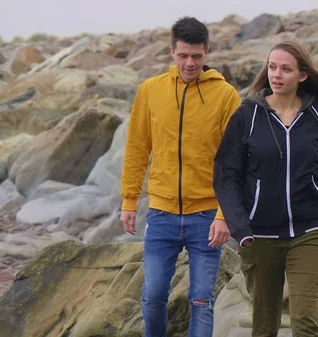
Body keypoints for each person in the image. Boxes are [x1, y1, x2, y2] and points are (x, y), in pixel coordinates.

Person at [213, 40, 318, 337]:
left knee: (305, 320)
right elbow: (226, 176)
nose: (276, 74)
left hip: (309, 232)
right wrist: (240, 227)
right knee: (264, 324)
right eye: (272, 67)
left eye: (286, 69)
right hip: (259, 237)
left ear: (302, 76)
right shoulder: (247, 116)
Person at [119, 16, 242, 337]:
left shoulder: (226, 96)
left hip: (207, 217)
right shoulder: (150, 91)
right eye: (184, 55)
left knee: (202, 300)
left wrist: (224, 214)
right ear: (172, 52)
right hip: (161, 215)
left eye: (197, 56)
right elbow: (136, 148)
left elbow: (236, 162)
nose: (190, 63)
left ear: (207, 53)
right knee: (153, 296)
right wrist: (129, 201)